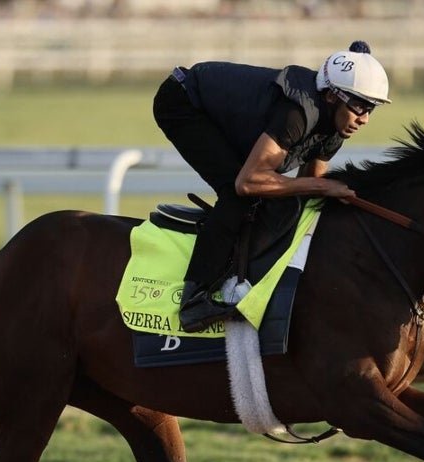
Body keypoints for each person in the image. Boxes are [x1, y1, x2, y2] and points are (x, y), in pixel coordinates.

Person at [153, 40, 391, 333]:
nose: (365, 119)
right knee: (238, 194)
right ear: (331, 96)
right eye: (359, 106)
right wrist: (323, 188)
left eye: (372, 108)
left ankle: (246, 276)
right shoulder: (297, 114)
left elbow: (309, 191)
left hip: (221, 112)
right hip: (183, 101)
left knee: (280, 198)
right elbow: (249, 183)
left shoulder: (337, 127)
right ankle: (193, 300)